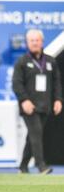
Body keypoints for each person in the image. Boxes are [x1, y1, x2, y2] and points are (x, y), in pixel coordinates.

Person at [12, 29, 62, 174]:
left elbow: (57, 82)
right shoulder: (22, 61)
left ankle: (23, 166)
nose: (35, 43)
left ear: (42, 42)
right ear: (27, 43)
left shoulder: (50, 61)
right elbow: (16, 83)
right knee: (36, 133)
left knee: (33, 136)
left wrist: (58, 100)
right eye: (32, 40)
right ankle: (41, 166)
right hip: (29, 106)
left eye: (37, 40)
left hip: (45, 105)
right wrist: (24, 100)